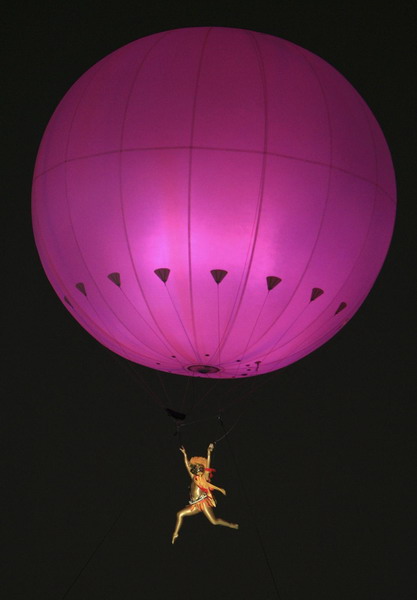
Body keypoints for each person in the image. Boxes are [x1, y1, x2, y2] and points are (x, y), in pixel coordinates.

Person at [171, 442, 239, 544]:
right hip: (195, 504)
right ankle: (175, 533)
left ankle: (230, 525)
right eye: (198, 470)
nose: (200, 471)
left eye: (201, 470)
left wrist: (208, 452)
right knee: (179, 514)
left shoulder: (204, 478)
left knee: (214, 522)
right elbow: (187, 465)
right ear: (195, 470)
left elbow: (208, 465)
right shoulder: (193, 478)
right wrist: (185, 454)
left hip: (203, 503)